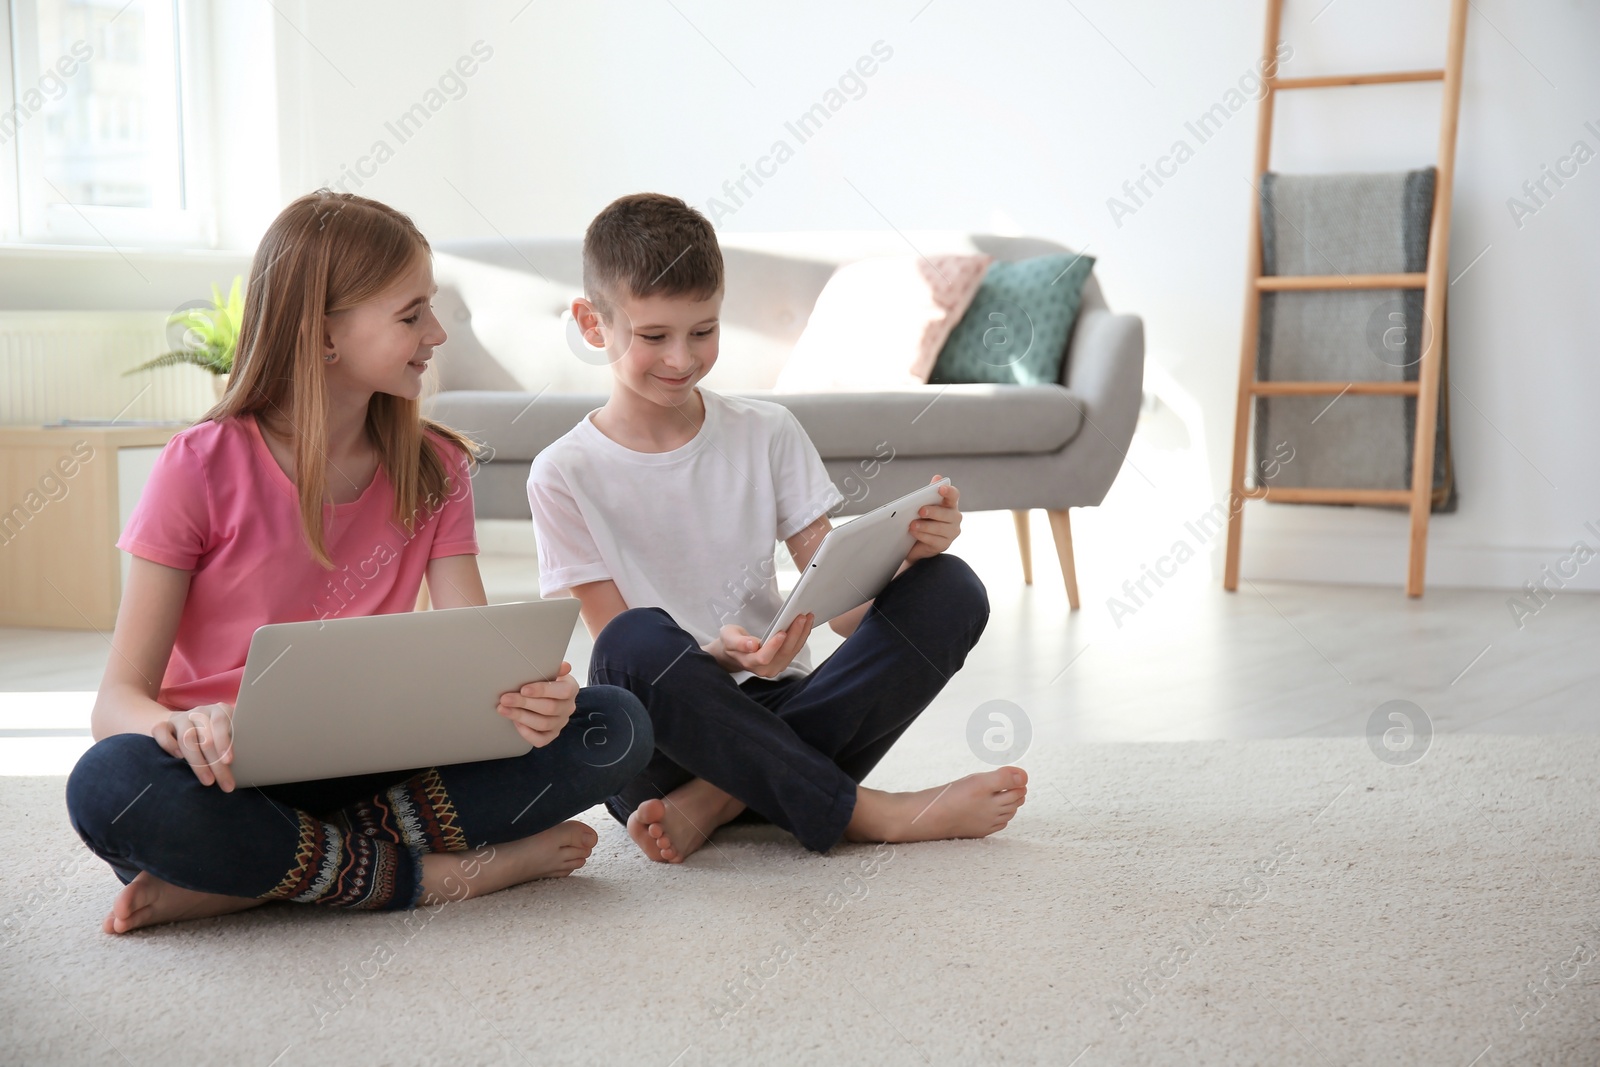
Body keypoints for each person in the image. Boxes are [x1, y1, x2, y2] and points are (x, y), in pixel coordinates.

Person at [66, 190, 651, 933]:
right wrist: (181, 727)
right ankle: (438, 875)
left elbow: (477, 669)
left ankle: (260, 878)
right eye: (411, 314)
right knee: (111, 786)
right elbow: (116, 701)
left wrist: (533, 702)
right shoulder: (198, 465)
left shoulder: (435, 466)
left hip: (383, 766)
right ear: (323, 336)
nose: (436, 332)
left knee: (615, 723)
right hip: (232, 780)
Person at [527, 192, 1026, 864]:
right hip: (657, 745)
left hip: (786, 707)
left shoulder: (766, 432)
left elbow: (847, 614)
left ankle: (717, 798)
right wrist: (721, 655)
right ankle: (874, 813)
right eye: (654, 336)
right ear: (593, 325)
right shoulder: (563, 471)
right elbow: (615, 651)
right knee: (633, 638)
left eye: (703, 331)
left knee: (953, 588)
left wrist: (907, 557)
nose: (681, 357)